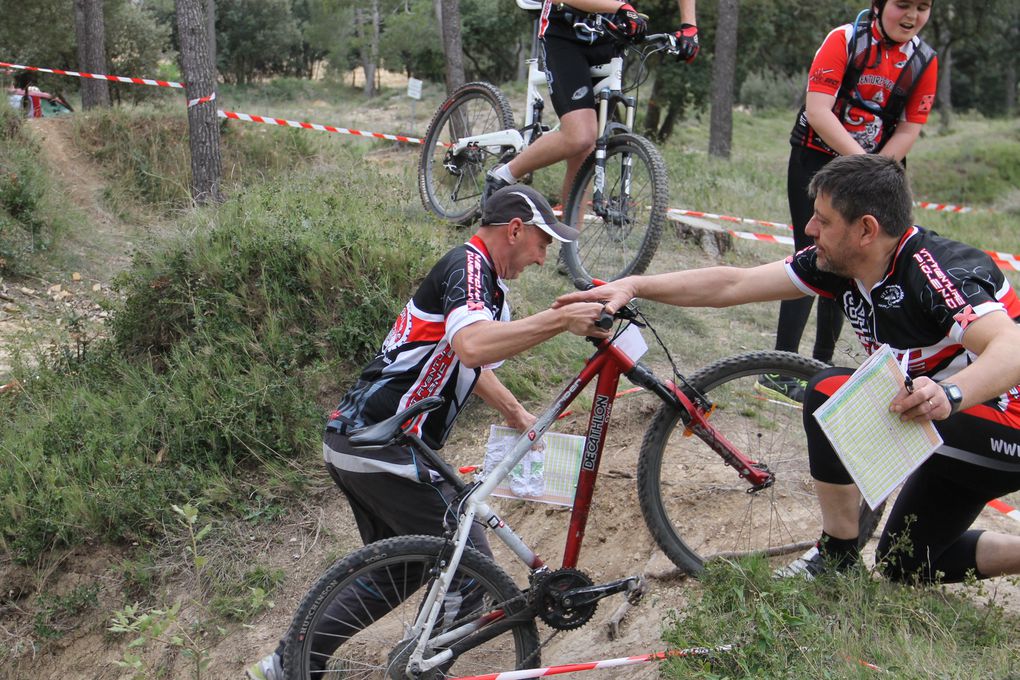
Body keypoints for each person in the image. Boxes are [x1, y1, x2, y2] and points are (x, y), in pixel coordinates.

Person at [556, 154, 1020, 583]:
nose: (811, 228)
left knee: (829, 391)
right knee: (906, 563)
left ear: (865, 229)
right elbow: (734, 283)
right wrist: (634, 285)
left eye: (824, 219)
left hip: (1003, 423)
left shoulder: (935, 273)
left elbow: (1011, 348)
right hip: (952, 424)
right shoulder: (840, 263)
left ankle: (836, 556)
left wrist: (950, 394)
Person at [246, 185, 611, 680]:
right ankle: (419, 666)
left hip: (358, 440)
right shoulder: (468, 265)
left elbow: (467, 359)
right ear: (515, 229)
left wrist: (515, 412)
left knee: (399, 569)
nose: (544, 259)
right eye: (543, 244)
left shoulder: (486, 282)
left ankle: (286, 665)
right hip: (380, 440)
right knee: (471, 560)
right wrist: (560, 318)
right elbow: (473, 344)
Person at [759, 0, 938, 402]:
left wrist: (876, 171)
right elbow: (818, 111)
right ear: (879, 6)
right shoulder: (845, 39)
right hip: (816, 158)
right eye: (902, 5)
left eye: (922, 7)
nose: (911, 15)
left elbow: (910, 128)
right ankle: (778, 368)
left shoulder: (924, 60)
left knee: (852, 263)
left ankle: (820, 369)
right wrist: (862, 165)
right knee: (811, 254)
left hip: (875, 166)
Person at [481, 0, 699, 210]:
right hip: (565, 36)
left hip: (611, 37)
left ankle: (569, 242)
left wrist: (689, 27)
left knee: (586, 151)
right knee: (580, 136)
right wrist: (619, 7)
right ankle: (503, 175)